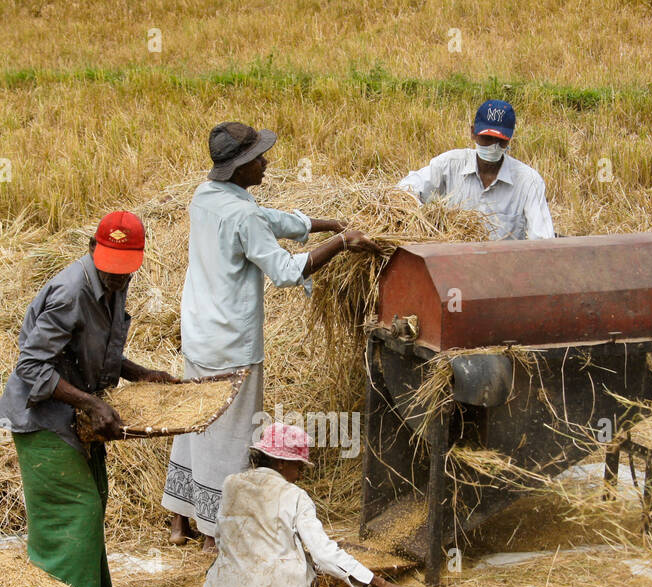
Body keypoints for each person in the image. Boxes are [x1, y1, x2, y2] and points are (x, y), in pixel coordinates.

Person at [162, 122, 381, 552]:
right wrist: (340, 242)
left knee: (194, 422)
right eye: (259, 158)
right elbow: (283, 270)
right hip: (231, 343)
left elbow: (265, 220)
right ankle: (214, 532)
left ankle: (179, 522)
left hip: (200, 332)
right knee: (231, 433)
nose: (266, 162)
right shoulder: (243, 214)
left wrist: (324, 223)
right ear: (240, 166)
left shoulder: (206, 196)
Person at [0, 211, 175, 587]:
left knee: (92, 503)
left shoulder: (115, 283)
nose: (117, 279)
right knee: (74, 512)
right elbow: (32, 366)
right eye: (110, 270)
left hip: (73, 422)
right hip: (42, 421)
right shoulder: (70, 292)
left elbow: (90, 349)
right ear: (92, 249)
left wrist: (141, 373)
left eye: (125, 273)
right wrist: (92, 403)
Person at [204, 423, 413, 587]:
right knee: (307, 560)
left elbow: (220, 539)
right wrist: (381, 583)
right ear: (282, 463)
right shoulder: (295, 495)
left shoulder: (231, 484)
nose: (300, 476)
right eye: (299, 467)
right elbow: (323, 554)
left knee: (220, 562)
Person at [397, 99, 554, 241]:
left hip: (504, 267)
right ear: (473, 133)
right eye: (487, 138)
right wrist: (424, 222)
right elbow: (404, 191)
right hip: (452, 262)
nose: (493, 146)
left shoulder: (528, 181)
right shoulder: (450, 165)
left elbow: (543, 239)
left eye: (500, 141)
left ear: (509, 139)